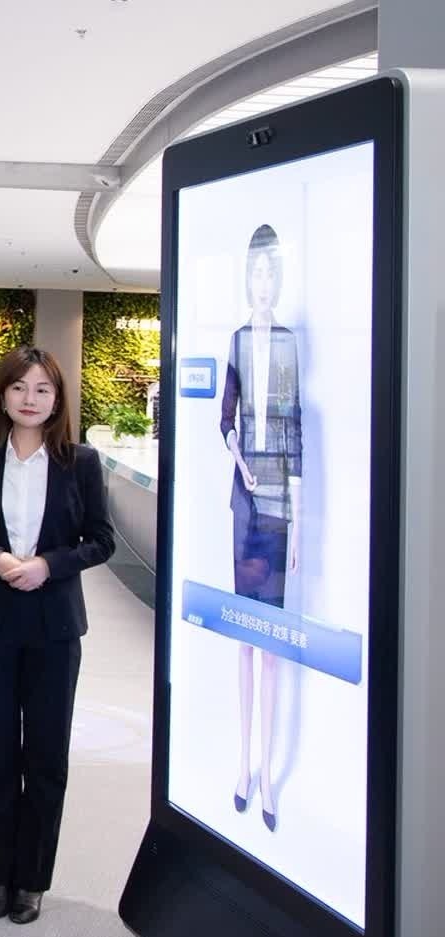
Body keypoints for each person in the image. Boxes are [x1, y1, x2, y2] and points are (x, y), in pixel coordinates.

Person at [0, 345, 115, 925]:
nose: (30, 399)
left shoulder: (80, 462)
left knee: (45, 755)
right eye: (19, 388)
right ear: (3, 395)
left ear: (58, 399)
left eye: (42, 389)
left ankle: (32, 880)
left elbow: (102, 540)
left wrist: (49, 565)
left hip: (54, 627)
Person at [220, 224, 302, 833]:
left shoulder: (290, 343)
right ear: (247, 277)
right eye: (257, 270)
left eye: (271, 270)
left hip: (279, 507)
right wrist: (238, 456)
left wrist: (298, 516)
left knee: (270, 643)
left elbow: (294, 425)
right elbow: (226, 414)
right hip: (246, 504)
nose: (264, 280)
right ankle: (243, 764)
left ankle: (267, 772)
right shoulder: (238, 339)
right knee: (245, 638)